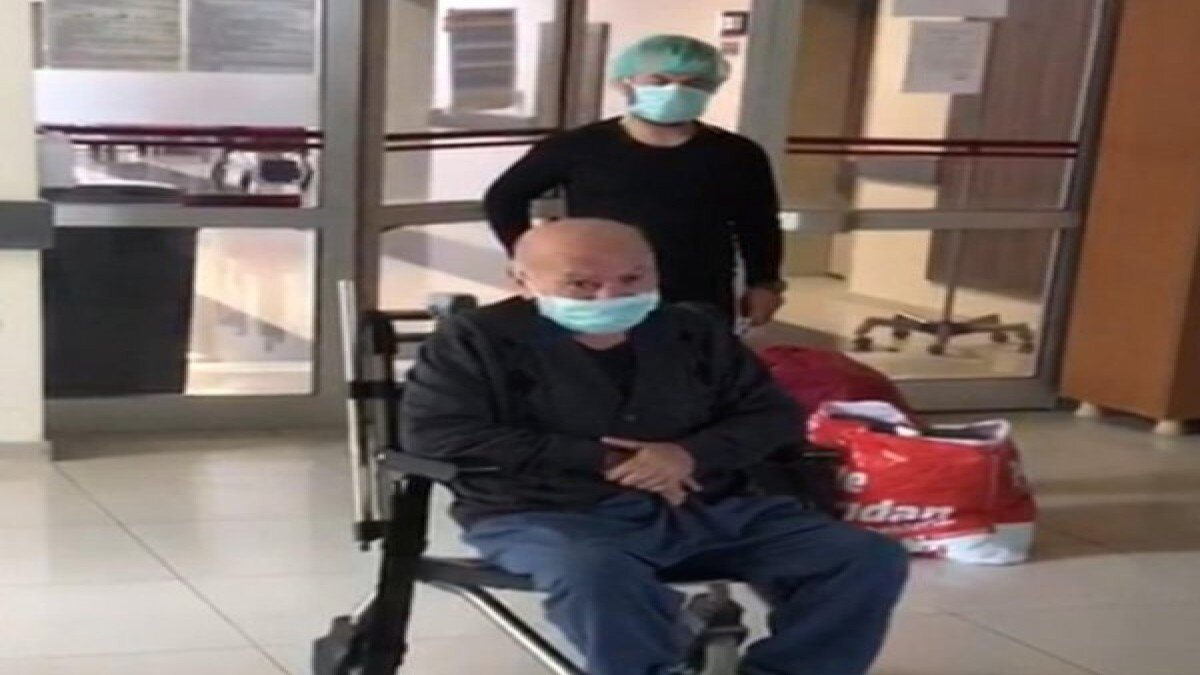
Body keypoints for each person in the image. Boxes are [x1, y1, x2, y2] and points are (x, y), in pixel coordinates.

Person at [401, 219, 908, 675]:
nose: (610, 296)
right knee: (596, 573)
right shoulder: (476, 340)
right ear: (521, 280)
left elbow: (773, 415)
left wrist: (689, 455)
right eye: (582, 284)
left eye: (632, 279)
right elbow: (439, 434)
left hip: (709, 503)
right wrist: (607, 460)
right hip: (549, 511)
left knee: (864, 558)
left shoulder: (692, 330)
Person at [484, 35, 786, 325]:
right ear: (626, 83)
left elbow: (758, 223)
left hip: (698, 291)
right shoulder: (579, 147)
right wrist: (533, 260)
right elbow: (504, 198)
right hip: (600, 291)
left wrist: (764, 283)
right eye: (659, 81)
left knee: (696, 359)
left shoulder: (736, 153)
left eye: (694, 83)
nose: (675, 91)